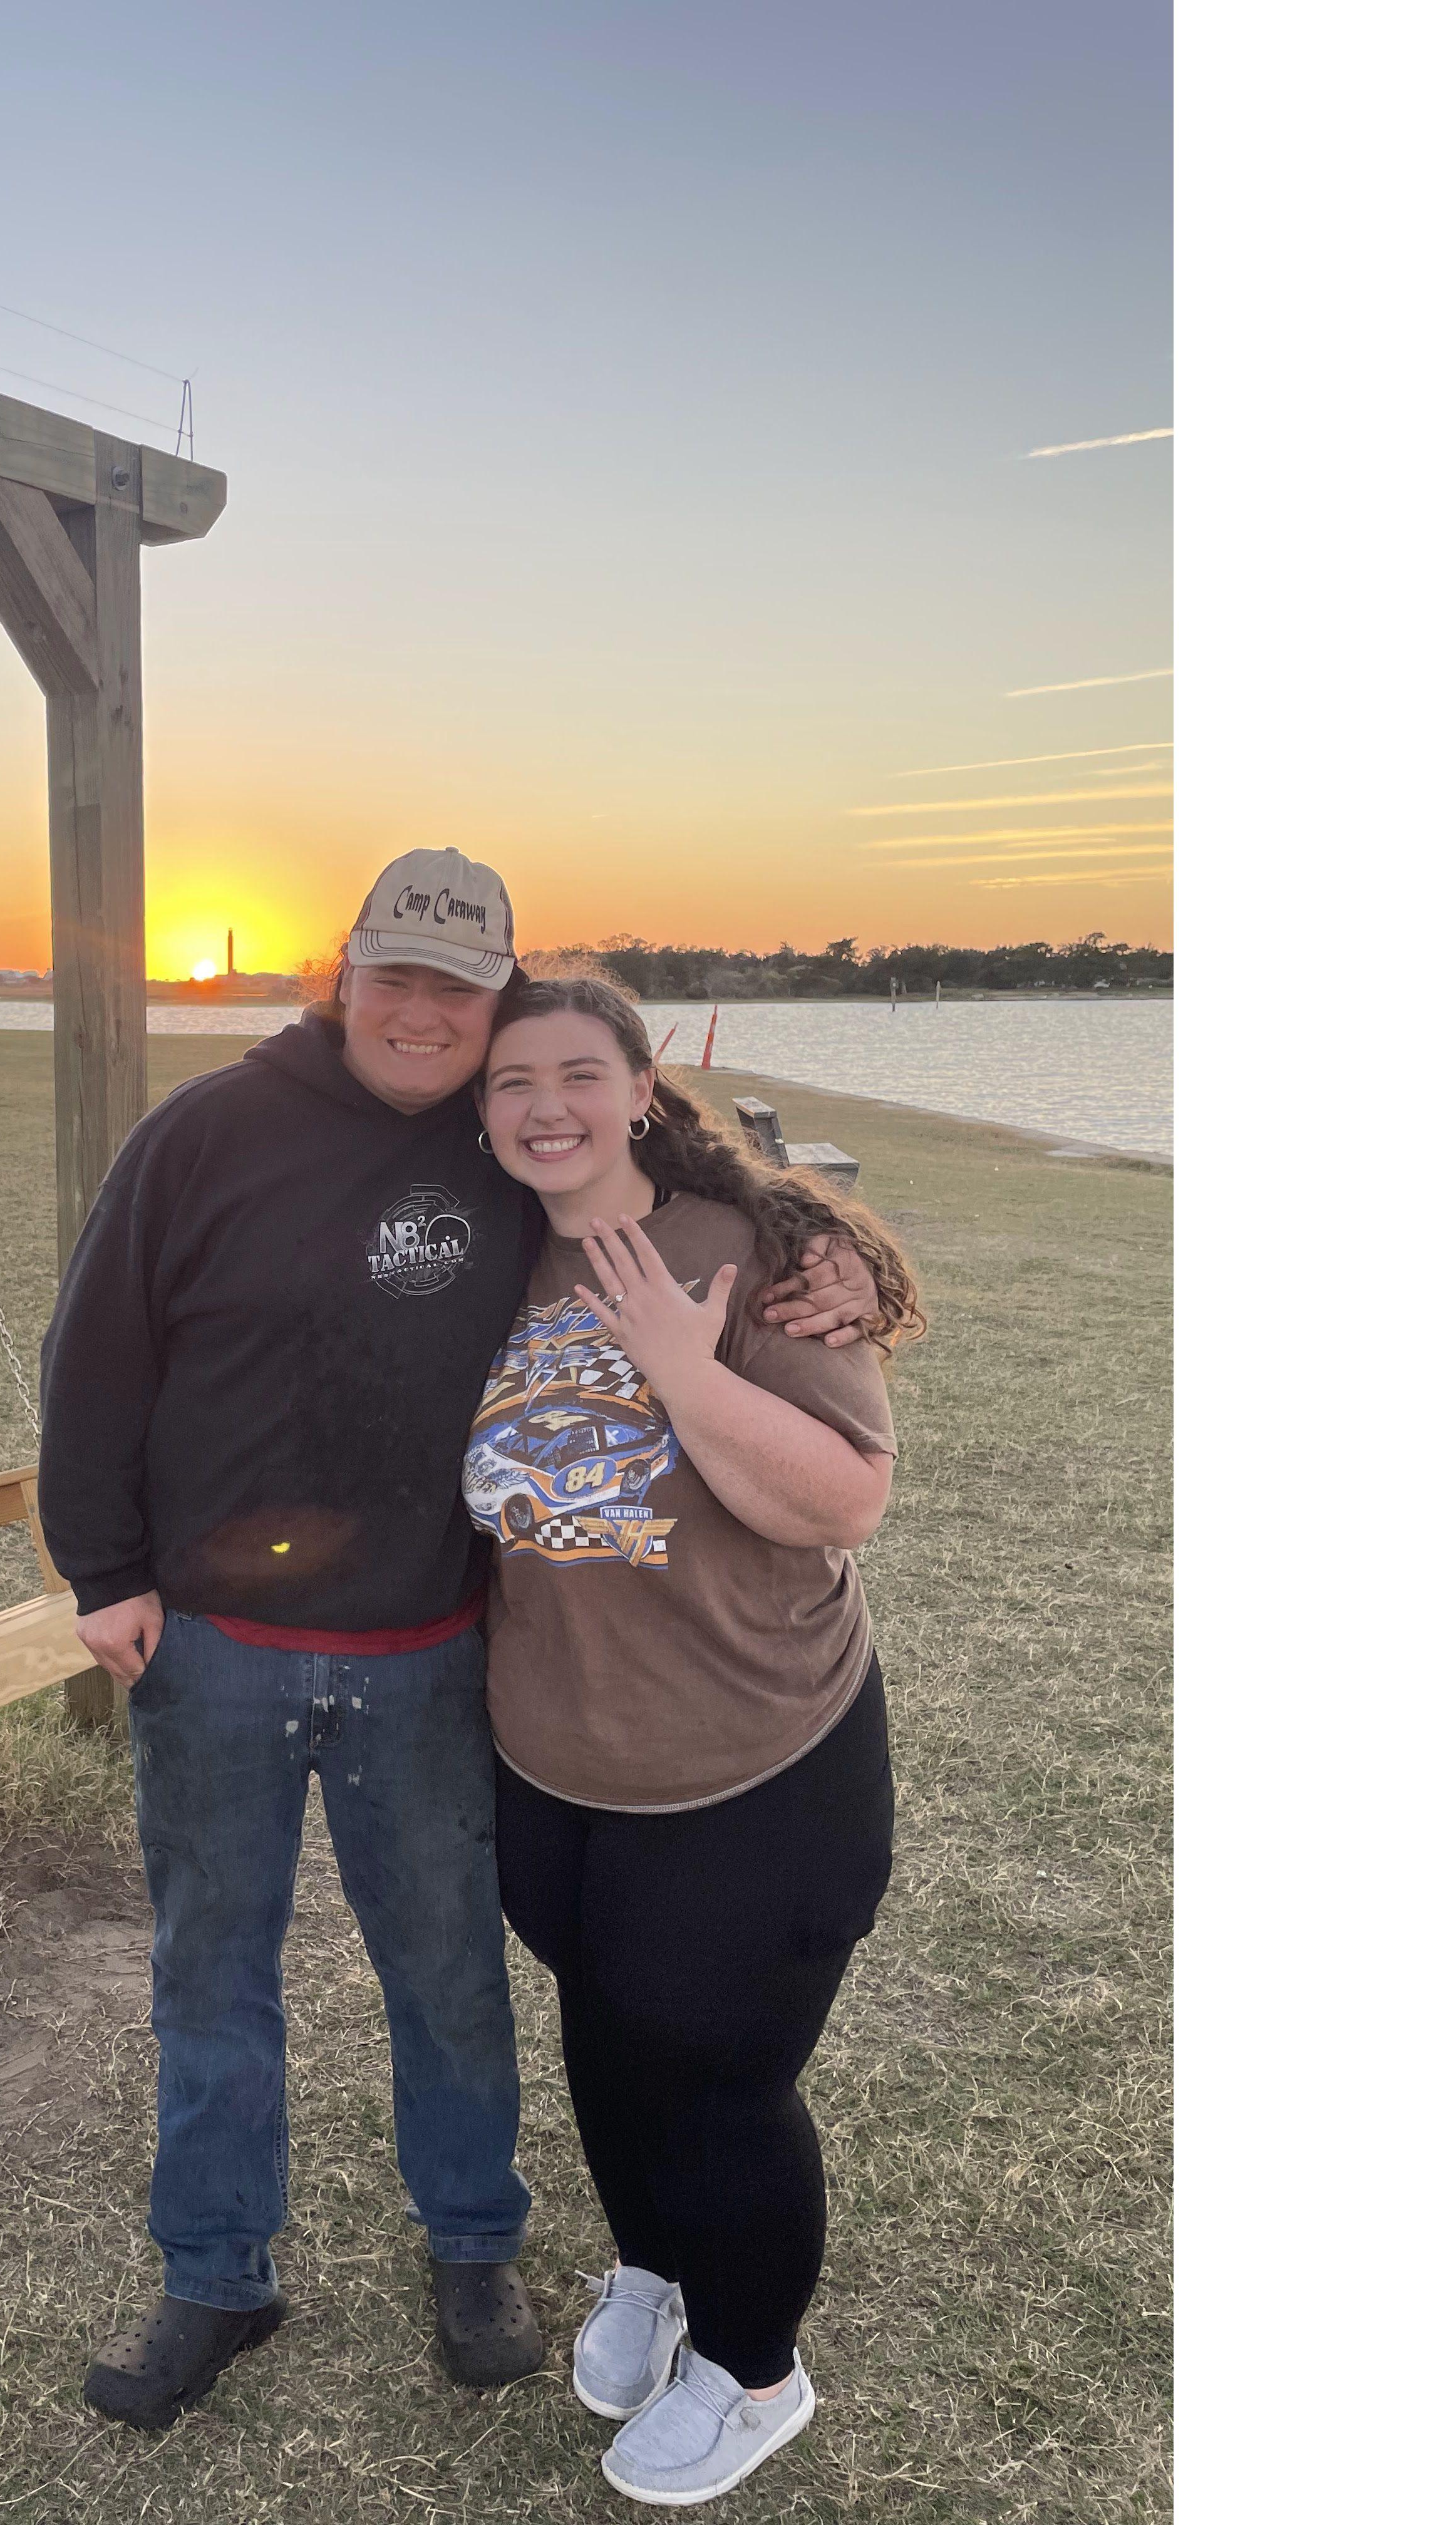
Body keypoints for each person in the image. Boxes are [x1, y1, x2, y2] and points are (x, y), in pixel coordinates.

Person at [35, 854, 884, 2434]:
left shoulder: (506, 1141)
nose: (425, 1013)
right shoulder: (203, 1136)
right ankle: (216, 2273)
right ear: (340, 974)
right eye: (394, 976)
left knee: (446, 1973)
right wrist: (104, 1565)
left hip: (432, 1651)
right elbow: (97, 1348)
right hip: (216, 1643)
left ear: (494, 997)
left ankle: (476, 2248)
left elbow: (672, 1153)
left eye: (459, 986)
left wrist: (818, 1248)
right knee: (209, 1975)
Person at [463, 974, 926, 2507]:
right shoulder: (485, 1259)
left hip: (756, 1762)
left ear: (642, 1087)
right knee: (606, 2031)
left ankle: (752, 2367)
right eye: (510, 1077)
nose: (545, 1106)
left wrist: (680, 1361)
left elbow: (844, 1502)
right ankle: (653, 2269)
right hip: (555, 1763)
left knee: (718, 2080)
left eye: (578, 1072)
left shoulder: (763, 1258)